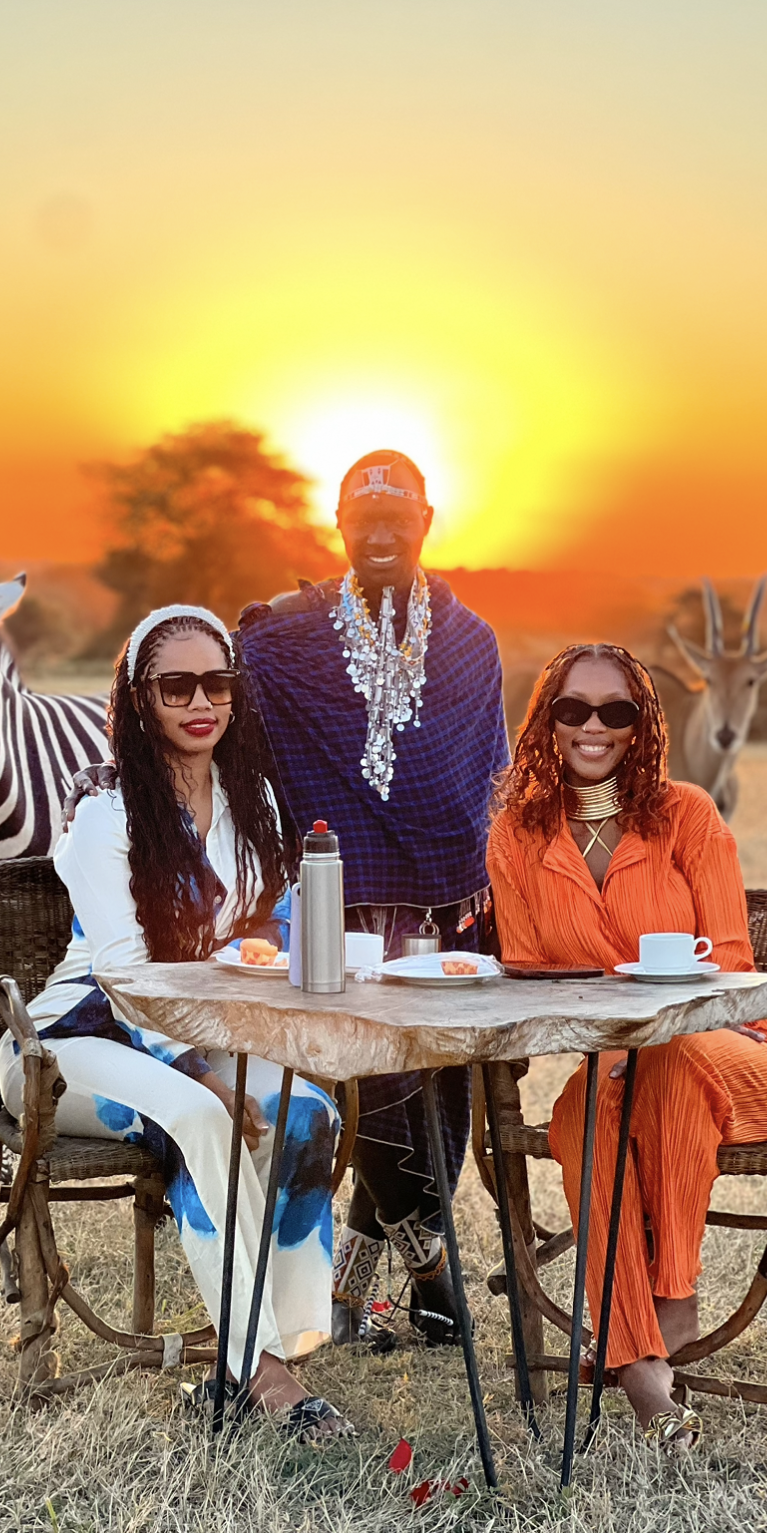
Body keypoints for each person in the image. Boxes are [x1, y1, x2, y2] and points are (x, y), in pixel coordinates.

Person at [0, 603, 346, 1437]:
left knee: (308, 1114)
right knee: (201, 1115)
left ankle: (275, 1346)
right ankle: (259, 1376)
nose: (201, 701)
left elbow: (275, 925)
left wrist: (295, 960)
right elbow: (120, 971)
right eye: (176, 684)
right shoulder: (105, 813)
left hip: (198, 1034)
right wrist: (201, 1070)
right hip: (70, 1045)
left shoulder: (250, 796)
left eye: (217, 681)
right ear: (139, 697)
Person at [487, 640, 767, 1451]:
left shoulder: (687, 815)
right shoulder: (517, 837)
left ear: (640, 725)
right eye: (572, 709)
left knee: (635, 1076)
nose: (593, 726)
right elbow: (529, 971)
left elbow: (729, 966)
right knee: (579, 1117)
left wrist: (644, 1029)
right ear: (546, 722)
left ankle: (671, 1291)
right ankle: (642, 1371)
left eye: (614, 711)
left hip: (741, 1055)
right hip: (617, 1068)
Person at [239, 450, 508, 1345]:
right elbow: (222, 707)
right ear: (340, 528)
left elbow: (482, 777)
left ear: (427, 522)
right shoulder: (285, 644)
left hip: (444, 917)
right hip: (332, 918)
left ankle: (348, 1298)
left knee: (432, 1105)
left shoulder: (471, 642)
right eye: (364, 522)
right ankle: (435, 1276)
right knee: (376, 1096)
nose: (382, 533)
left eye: (399, 519)